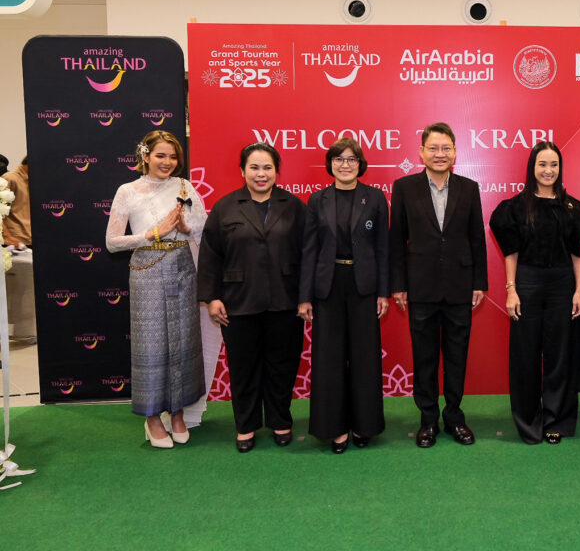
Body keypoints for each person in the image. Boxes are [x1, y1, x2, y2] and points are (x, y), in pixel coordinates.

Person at [197, 143, 306, 453]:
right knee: (244, 368)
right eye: (255, 167)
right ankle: (246, 425)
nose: (261, 174)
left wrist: (306, 296)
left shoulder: (294, 206)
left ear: (276, 171)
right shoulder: (225, 207)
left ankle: (280, 420)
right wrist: (212, 297)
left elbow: (309, 254)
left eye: (267, 167)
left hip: (286, 301)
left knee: (282, 366)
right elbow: (211, 255)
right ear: (242, 171)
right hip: (238, 302)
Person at [490, 141, 580, 444]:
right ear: (532, 168)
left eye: (553, 165)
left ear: (560, 168)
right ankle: (528, 423)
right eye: (542, 164)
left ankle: (557, 421)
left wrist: (579, 291)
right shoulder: (514, 207)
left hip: (563, 286)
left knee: (560, 356)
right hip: (527, 284)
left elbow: (579, 251)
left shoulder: (572, 208)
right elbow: (510, 251)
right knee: (525, 356)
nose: (548, 170)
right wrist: (511, 290)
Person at [105, 130, 207, 449]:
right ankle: (152, 417)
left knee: (182, 340)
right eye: (161, 155)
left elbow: (200, 226)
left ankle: (177, 412)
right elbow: (112, 242)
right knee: (151, 345)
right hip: (147, 269)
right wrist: (153, 233)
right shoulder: (128, 191)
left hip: (181, 267)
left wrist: (184, 227)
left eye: (173, 156)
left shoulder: (183, 187)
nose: (168, 162)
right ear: (145, 155)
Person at [390, 122, 487, 448]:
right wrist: (399, 284)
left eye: (446, 148)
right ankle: (428, 420)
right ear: (422, 152)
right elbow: (396, 241)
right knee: (425, 357)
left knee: (457, 356)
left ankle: (455, 417)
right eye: (433, 148)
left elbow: (477, 239)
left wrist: (479, 282)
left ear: (455, 152)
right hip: (421, 287)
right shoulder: (404, 187)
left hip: (460, 287)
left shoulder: (469, 188)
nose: (440, 153)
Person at [299, 138, 389, 453]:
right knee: (329, 359)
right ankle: (334, 429)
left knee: (365, 358)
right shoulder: (317, 200)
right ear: (331, 164)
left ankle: (364, 426)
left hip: (364, 286)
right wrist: (304, 296)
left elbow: (382, 250)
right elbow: (308, 250)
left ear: (360, 163)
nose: (345, 164)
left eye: (351, 159)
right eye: (339, 159)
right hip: (328, 286)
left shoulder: (376, 199)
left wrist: (383, 291)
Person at [2, 156, 31, 248]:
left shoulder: (36, 181)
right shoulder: (10, 178)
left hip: (31, 239)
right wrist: (7, 236)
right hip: (15, 242)